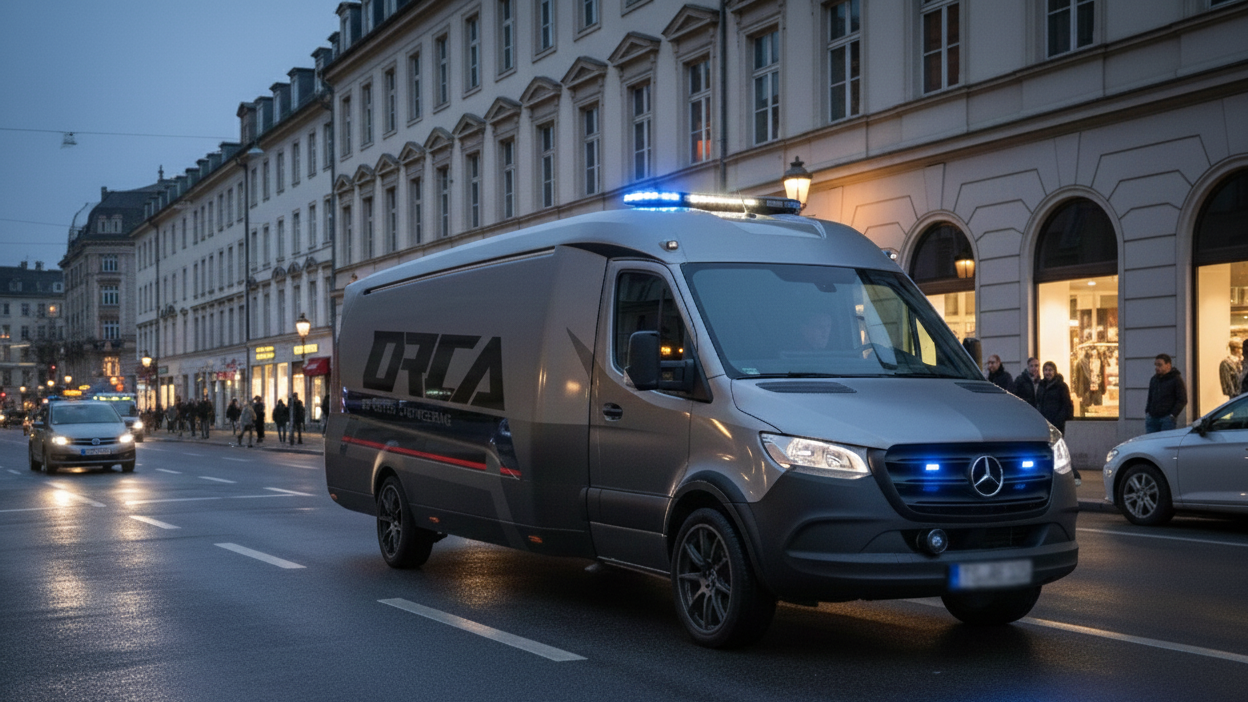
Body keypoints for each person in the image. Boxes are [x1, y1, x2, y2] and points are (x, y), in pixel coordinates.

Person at [1145, 353, 1187, 433]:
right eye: (1156, 365)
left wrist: (1172, 415)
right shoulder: (1154, 379)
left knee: (1164, 442)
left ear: (1168, 365)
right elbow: (1150, 397)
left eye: (1160, 365)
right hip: (1152, 417)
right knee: (1150, 442)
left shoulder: (1176, 379)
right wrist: (1148, 411)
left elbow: (1182, 399)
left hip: (1166, 419)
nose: (1157, 368)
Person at [1036, 361, 1074, 434]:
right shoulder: (1041, 385)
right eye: (1046, 370)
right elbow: (1038, 402)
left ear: (1055, 371)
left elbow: (1066, 405)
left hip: (1057, 424)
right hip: (1044, 423)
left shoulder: (1061, 386)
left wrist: (1059, 420)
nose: (1048, 373)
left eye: (1050, 370)